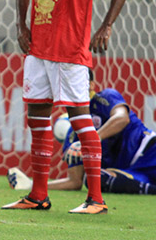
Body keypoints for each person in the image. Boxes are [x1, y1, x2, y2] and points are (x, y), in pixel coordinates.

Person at [3, 0, 130, 215]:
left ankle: (96, 200)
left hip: (71, 51)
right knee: (38, 118)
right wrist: (21, 26)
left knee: (80, 118)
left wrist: (106, 26)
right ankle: (38, 196)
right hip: (38, 50)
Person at [8, 70, 156, 195]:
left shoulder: (105, 98)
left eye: (77, 81)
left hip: (149, 151)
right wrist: (32, 185)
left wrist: (92, 139)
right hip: (131, 171)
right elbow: (75, 181)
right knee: (95, 180)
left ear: (91, 85)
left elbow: (122, 118)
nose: (72, 87)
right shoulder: (73, 134)